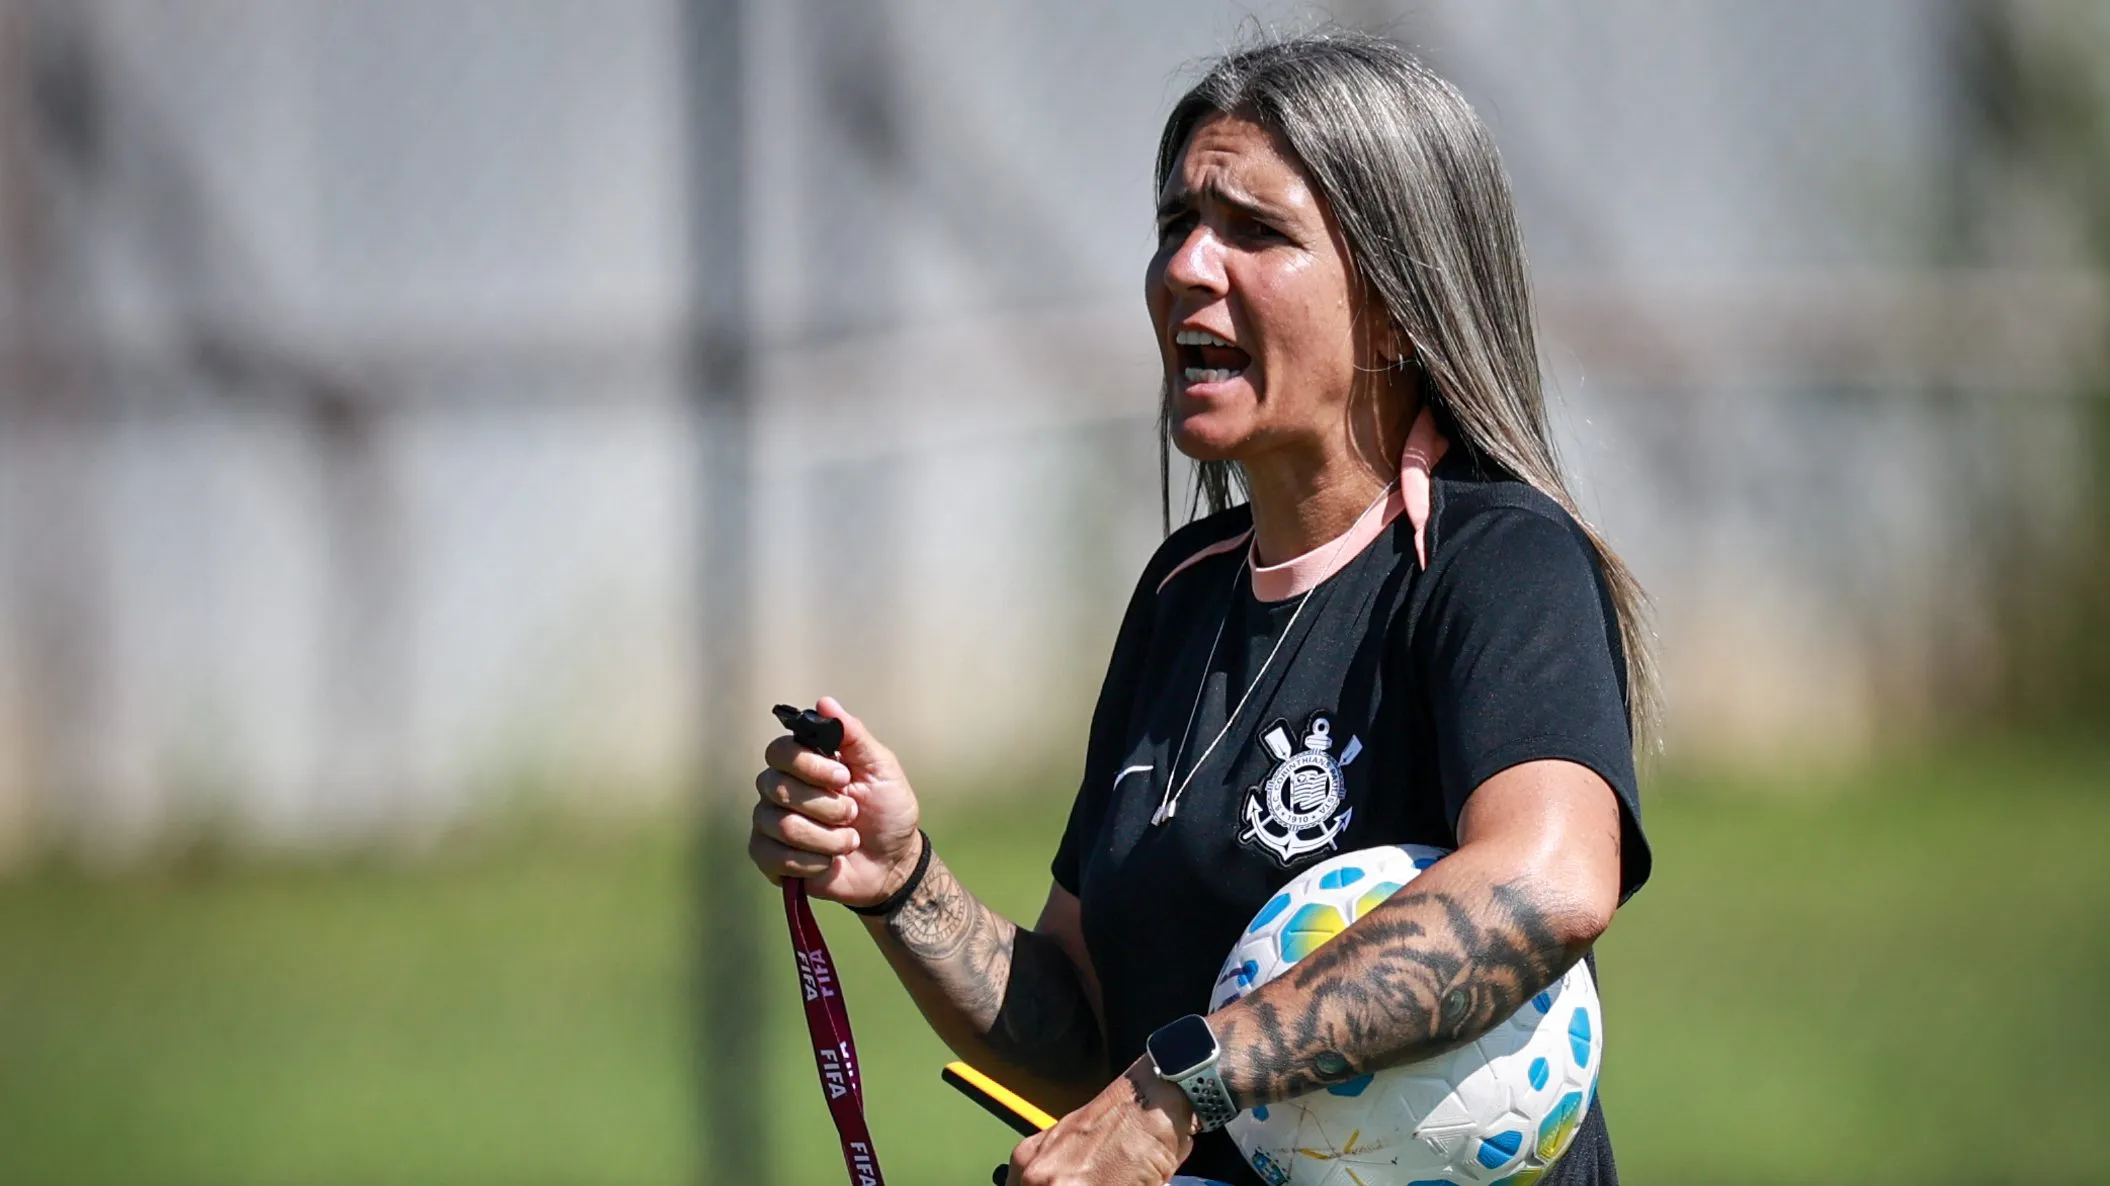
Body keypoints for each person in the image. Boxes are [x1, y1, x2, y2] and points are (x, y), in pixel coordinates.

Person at [749, 32, 1655, 1186]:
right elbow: (1086, 1049)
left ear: (1394, 304)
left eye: (1254, 231)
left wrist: (1185, 1079)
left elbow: (1546, 881)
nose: (1185, 267)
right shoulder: (1180, 596)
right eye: (1176, 224)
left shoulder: (1497, 559)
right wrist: (902, 883)